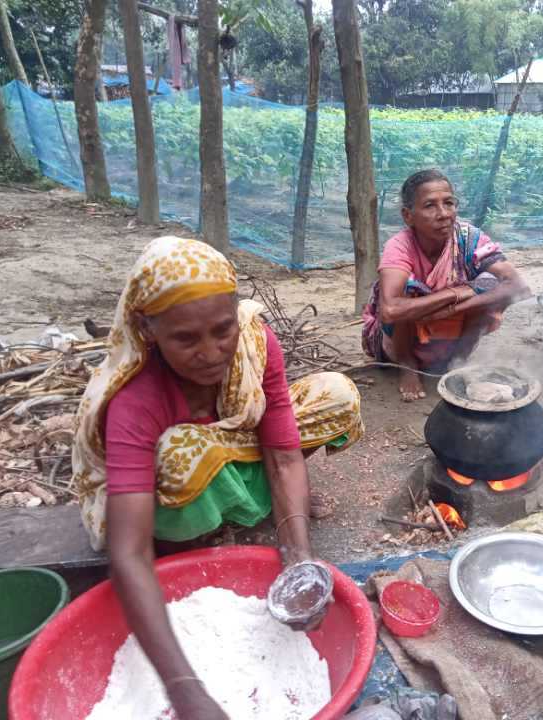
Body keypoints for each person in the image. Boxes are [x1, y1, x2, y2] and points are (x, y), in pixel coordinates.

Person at [72, 236, 364, 720]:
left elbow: (286, 456)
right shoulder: (136, 400)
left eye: (222, 330)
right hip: (176, 492)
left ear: (235, 313)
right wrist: (185, 688)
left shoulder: (252, 343)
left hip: (241, 454)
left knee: (334, 394)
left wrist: (298, 558)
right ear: (148, 327)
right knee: (182, 456)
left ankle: (267, 505)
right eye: (186, 339)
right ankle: (204, 531)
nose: (211, 352)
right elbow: (129, 553)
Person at [362, 169, 530, 402]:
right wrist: (454, 293)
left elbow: (519, 286)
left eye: (449, 203)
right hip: (399, 339)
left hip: (450, 330)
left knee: (489, 287)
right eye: (430, 206)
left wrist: (459, 303)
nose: (443, 214)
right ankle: (408, 367)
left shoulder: (468, 238)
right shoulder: (400, 246)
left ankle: (456, 362)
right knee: (408, 294)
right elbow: (390, 310)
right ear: (408, 216)